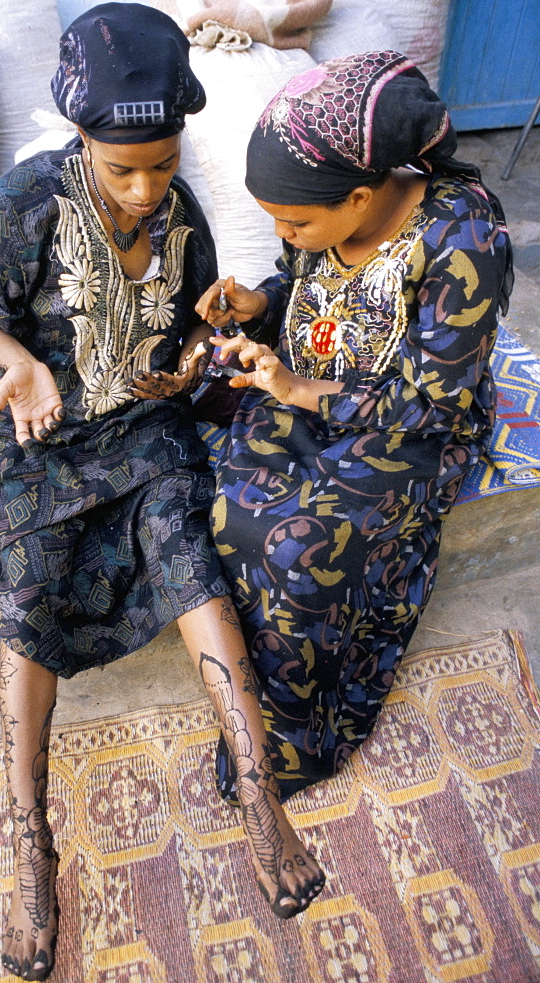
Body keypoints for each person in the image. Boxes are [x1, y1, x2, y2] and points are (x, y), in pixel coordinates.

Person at [0, 3, 325, 983]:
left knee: (185, 546)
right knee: (28, 589)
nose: (145, 187)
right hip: (41, 435)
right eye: (124, 169)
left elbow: (178, 358)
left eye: (162, 164)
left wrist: (197, 352)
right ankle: (29, 838)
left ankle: (258, 789)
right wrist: (19, 366)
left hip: (141, 433)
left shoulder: (181, 213)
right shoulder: (23, 203)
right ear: (79, 139)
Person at [197, 51, 513, 805]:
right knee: (234, 516)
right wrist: (259, 307)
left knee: (305, 551)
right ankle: (258, 705)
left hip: (413, 427)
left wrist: (302, 389)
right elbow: (312, 289)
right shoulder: (328, 212)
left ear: (364, 196)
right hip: (311, 386)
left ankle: (309, 732)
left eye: (294, 221)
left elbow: (435, 402)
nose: (284, 231)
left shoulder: (465, 239)